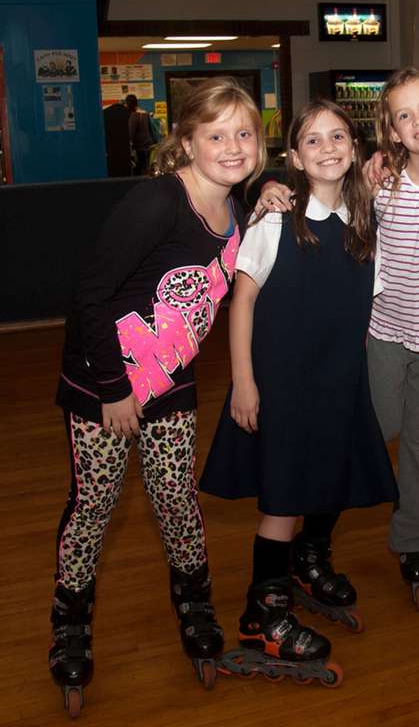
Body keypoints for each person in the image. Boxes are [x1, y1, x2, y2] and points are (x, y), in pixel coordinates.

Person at [50, 77, 265, 715]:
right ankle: (70, 625)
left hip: (170, 387)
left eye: (243, 134)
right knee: (95, 506)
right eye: (216, 135)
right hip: (102, 387)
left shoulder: (243, 209)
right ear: (188, 141)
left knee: (176, 500)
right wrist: (113, 389)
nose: (232, 146)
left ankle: (195, 605)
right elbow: (89, 297)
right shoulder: (158, 203)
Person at [258, 68, 419, 611]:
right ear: (390, 130)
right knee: (371, 427)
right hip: (385, 330)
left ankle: (415, 542)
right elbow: (322, 185)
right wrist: (272, 185)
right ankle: (314, 535)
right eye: (404, 115)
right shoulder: (379, 181)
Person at [199, 99, 397, 685]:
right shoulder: (275, 217)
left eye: (339, 136)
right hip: (281, 382)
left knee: (332, 474)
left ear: (355, 149)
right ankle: (263, 613)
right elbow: (243, 298)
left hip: (338, 379)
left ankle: (308, 566)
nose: (328, 147)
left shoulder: (366, 222)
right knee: (284, 497)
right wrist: (243, 381)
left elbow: (362, 302)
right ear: (294, 156)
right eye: (313, 140)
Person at [126, 93, 155, 175]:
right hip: (148, 144)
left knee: (139, 167)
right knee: (146, 165)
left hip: (139, 146)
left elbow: (130, 132)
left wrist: (129, 144)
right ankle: (147, 180)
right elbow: (150, 129)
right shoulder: (145, 113)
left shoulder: (133, 116)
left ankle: (142, 182)